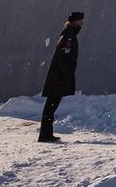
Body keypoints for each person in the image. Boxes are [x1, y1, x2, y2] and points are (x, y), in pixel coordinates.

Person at [38, 10, 83, 143]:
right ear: (75, 22)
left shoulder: (68, 34)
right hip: (58, 78)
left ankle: (46, 134)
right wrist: (66, 76)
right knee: (51, 106)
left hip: (58, 77)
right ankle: (45, 135)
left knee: (51, 106)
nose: (82, 24)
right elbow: (64, 59)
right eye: (80, 21)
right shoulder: (69, 37)